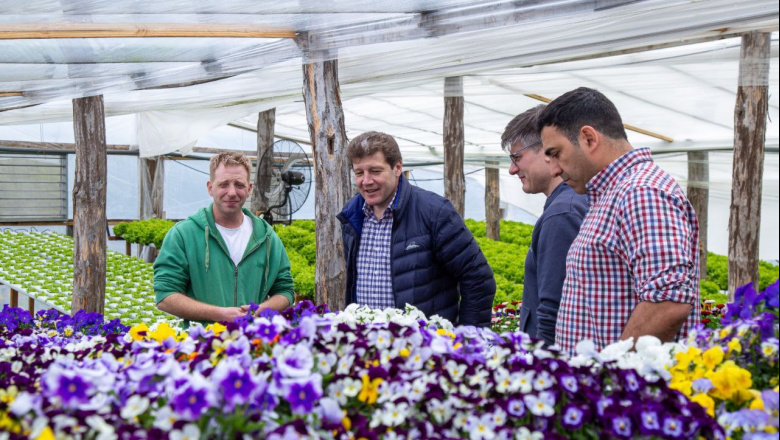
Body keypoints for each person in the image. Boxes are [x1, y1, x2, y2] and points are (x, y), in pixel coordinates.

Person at [537, 87, 700, 355]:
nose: (553, 168)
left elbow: (668, 301)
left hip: (617, 392)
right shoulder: (611, 193)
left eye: (556, 153)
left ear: (588, 138)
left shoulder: (641, 192)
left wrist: (614, 376)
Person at [338, 131, 496, 327]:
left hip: (422, 348)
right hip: (367, 346)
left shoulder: (434, 212)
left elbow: (478, 278)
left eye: (376, 171)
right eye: (359, 173)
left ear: (397, 168)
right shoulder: (352, 215)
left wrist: (469, 340)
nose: (366, 181)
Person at [153, 151, 294, 325]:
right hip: (202, 344)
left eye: (239, 185)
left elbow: (286, 290)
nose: (232, 192)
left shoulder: (266, 237)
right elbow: (165, 296)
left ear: (249, 189)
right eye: (224, 184)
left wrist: (258, 311)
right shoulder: (184, 235)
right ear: (210, 187)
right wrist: (218, 314)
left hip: (253, 343)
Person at [501, 105, 589, 346]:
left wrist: (546, 366)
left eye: (517, 158)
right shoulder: (569, 203)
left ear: (548, 151)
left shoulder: (562, 214)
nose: (512, 169)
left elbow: (554, 310)